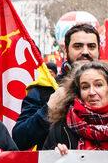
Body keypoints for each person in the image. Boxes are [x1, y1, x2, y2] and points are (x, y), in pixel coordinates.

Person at [13, 22, 101, 150]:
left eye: (91, 46)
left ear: (99, 50)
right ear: (66, 50)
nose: (85, 52)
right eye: (78, 46)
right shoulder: (45, 89)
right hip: (54, 162)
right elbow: (19, 140)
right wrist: (48, 110)